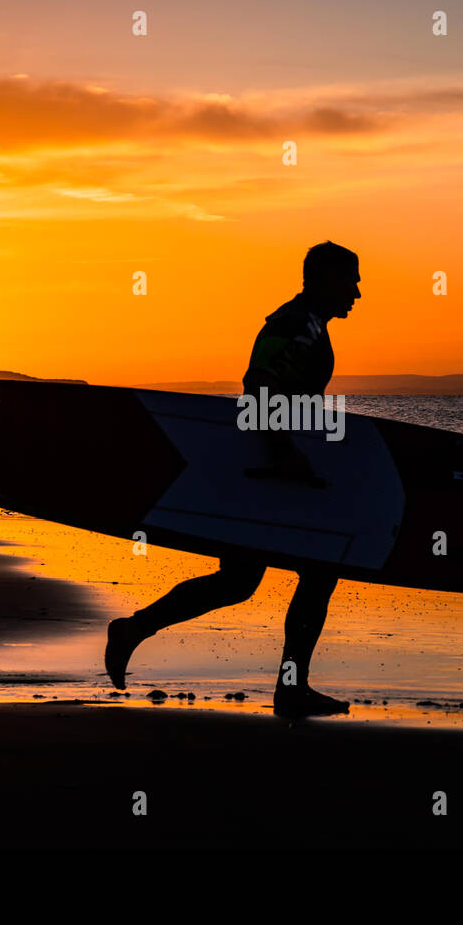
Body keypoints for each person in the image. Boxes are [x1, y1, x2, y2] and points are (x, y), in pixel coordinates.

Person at [104, 241, 361, 717]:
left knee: (241, 582)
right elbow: (259, 386)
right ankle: (290, 688)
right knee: (314, 572)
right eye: (351, 280)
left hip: (270, 468)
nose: (358, 293)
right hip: (270, 471)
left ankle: (134, 629)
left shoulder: (308, 324)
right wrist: (284, 454)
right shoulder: (295, 325)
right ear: (325, 279)